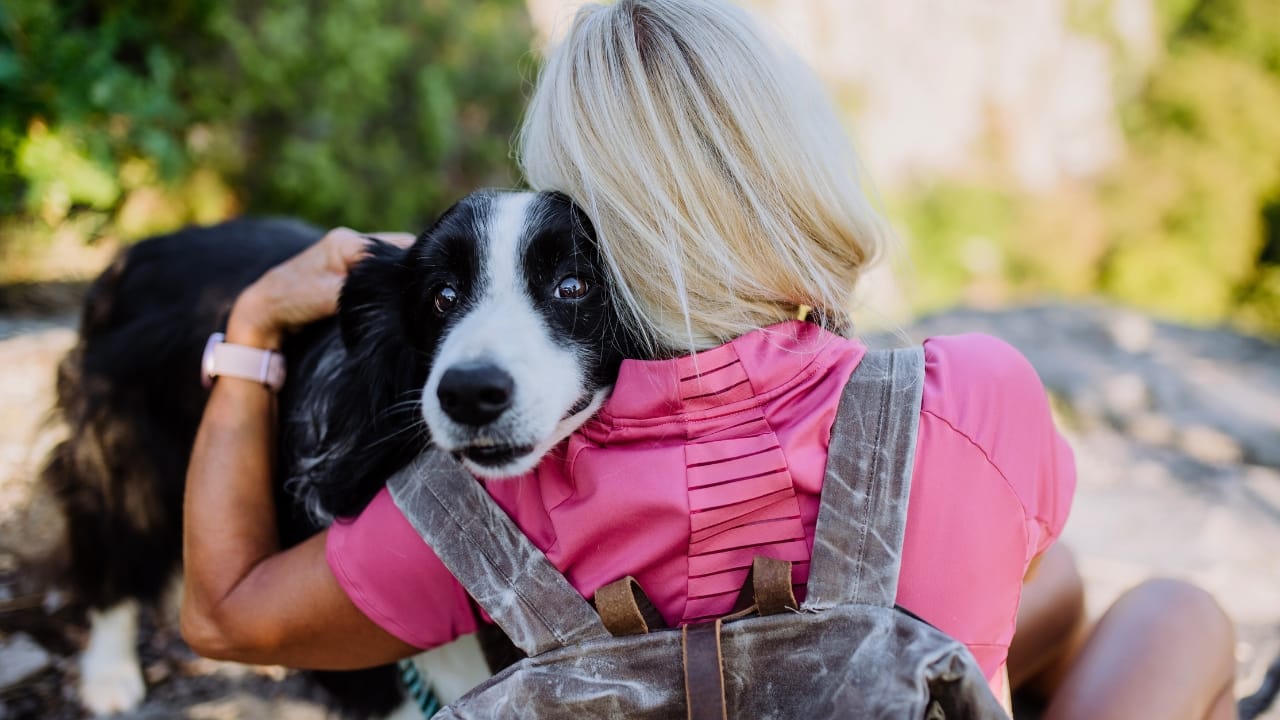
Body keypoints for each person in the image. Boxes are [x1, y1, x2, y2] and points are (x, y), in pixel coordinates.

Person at [180, 1, 1238, 717]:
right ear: (792, 179)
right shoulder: (963, 397)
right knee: (1166, 612)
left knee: (1055, 585)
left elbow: (223, 615)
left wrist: (253, 334)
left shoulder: (496, 489)